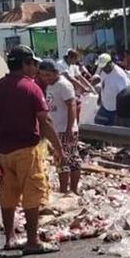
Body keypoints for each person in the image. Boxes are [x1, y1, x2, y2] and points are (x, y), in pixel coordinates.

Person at [0, 47, 64, 254]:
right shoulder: (31, 88)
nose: (35, 68)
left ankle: (9, 239)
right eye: (33, 64)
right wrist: (58, 148)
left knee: (8, 194)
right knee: (32, 193)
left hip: (2, 151)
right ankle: (32, 241)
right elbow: (45, 121)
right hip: (26, 150)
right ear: (25, 64)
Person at [38, 60, 80, 194]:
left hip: (65, 129)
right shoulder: (51, 86)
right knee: (60, 160)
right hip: (56, 129)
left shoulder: (63, 85)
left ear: (56, 72)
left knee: (70, 160)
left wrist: (69, 128)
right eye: (43, 75)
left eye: (48, 75)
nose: (46, 78)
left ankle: (71, 190)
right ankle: (64, 190)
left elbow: (72, 106)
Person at [94, 53, 130, 126]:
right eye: (102, 67)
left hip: (115, 110)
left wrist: (121, 113)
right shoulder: (103, 70)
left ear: (110, 63)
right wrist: (100, 96)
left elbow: (125, 95)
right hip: (105, 106)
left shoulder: (120, 76)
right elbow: (103, 83)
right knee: (98, 122)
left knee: (112, 129)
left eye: (105, 67)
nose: (103, 69)